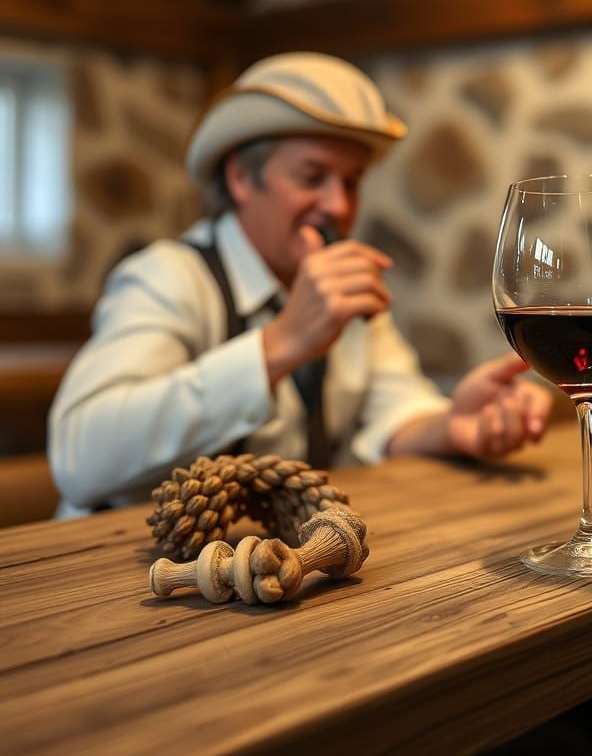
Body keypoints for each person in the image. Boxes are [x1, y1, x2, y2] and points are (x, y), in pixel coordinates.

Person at [48, 52, 552, 517]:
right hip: (129, 573)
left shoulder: (346, 286)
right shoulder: (169, 278)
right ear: (243, 179)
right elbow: (80, 459)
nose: (338, 206)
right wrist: (282, 343)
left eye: (351, 181)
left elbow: (394, 407)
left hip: (280, 572)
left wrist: (452, 427)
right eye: (312, 177)